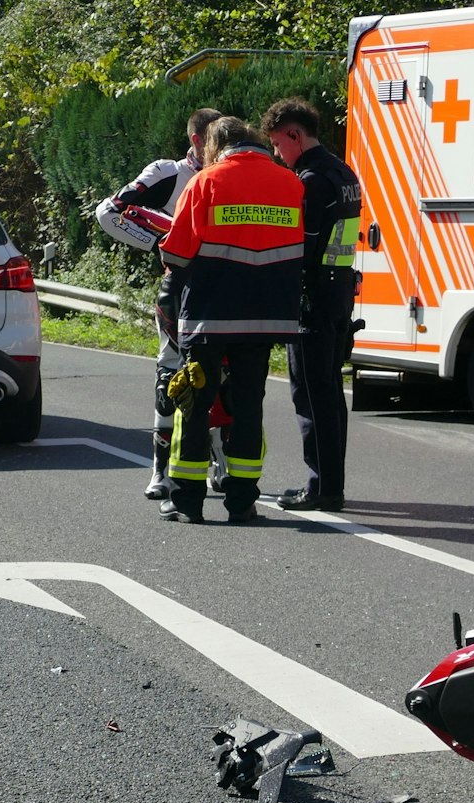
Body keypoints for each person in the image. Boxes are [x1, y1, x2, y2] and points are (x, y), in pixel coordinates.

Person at [155, 116, 305, 524]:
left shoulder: (204, 182)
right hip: (266, 319)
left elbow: (178, 255)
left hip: (209, 316)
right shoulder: (291, 184)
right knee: (248, 408)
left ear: (215, 146)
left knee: (194, 404)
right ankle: (242, 500)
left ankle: (187, 499)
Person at [99, 105, 221, 501]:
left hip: (221, 292)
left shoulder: (226, 176)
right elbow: (108, 212)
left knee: (223, 376)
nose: (221, 147)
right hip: (177, 290)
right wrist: (161, 244)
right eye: (214, 139)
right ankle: (160, 470)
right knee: (169, 374)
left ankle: (219, 463)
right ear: (196, 140)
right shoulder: (168, 173)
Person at [261, 98, 363, 512]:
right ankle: (331, 481)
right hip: (339, 291)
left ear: (294, 135)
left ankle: (322, 487)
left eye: (277, 145)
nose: (276, 154)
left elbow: (300, 248)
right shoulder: (344, 172)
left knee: (311, 394)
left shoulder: (309, 181)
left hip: (313, 297)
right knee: (330, 393)